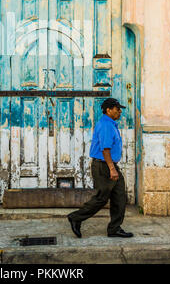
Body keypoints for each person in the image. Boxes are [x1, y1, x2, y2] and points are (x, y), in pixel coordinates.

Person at [67, 97, 134, 238]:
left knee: (119, 197)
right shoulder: (106, 125)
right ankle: (76, 217)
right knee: (102, 198)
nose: (120, 111)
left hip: (109, 164)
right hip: (103, 166)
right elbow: (105, 149)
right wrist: (112, 168)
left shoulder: (111, 124)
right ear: (108, 110)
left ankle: (114, 228)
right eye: (117, 109)